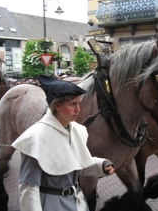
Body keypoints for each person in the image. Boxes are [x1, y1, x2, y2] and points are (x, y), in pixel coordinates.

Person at [12, 75, 115, 211]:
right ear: (57, 106)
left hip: (77, 202)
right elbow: (28, 188)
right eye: (73, 104)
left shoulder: (76, 130)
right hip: (51, 205)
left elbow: (76, 163)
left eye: (79, 103)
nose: (78, 109)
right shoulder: (35, 138)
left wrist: (101, 165)